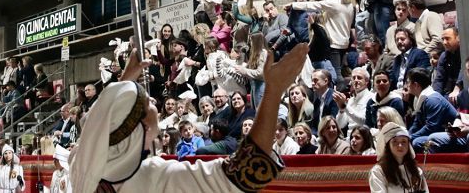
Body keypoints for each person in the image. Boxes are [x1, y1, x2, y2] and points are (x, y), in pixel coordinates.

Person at [68, 44, 308, 193]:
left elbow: (98, 127)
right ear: (140, 127)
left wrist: (121, 87)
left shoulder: (82, 166)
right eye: (146, 103)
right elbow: (246, 173)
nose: (153, 102)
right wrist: (273, 91)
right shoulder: (155, 178)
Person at [289, 0, 355, 82]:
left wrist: (293, 5)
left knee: (336, 74)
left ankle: (338, 92)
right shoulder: (349, 5)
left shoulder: (334, 3)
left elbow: (314, 5)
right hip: (345, 42)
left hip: (334, 44)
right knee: (340, 70)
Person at [406, 68, 459, 148]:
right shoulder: (420, 99)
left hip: (452, 136)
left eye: (408, 82)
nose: (407, 85)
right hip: (436, 133)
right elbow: (416, 124)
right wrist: (406, 135)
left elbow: (431, 127)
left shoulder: (433, 100)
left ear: (416, 85)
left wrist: (410, 138)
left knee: (416, 142)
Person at [368, 124, 427, 193]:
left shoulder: (417, 171)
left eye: (404, 141)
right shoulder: (378, 172)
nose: (400, 145)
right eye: (395, 141)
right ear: (388, 146)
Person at [334, 67, 373, 135]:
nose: (356, 80)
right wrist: (341, 110)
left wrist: (345, 106)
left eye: (359, 78)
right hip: (349, 137)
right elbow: (340, 125)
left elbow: (363, 121)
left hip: (364, 137)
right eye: (353, 78)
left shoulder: (371, 97)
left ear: (366, 81)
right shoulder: (351, 100)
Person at [432, 26, 462, 99]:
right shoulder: (444, 56)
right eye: (443, 39)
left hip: (462, 90)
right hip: (448, 92)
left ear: (458, 38)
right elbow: (439, 79)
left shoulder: (465, 52)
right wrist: (435, 96)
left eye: (447, 38)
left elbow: (464, 72)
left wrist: (457, 88)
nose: (444, 42)